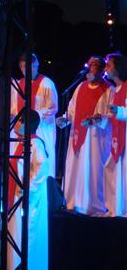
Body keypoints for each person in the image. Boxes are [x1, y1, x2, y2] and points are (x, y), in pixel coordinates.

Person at [56, 56, 112, 215]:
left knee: (93, 171)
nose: (91, 68)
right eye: (90, 64)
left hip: (95, 139)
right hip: (77, 135)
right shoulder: (80, 86)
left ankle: (94, 205)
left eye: (95, 65)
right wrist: (65, 119)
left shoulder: (108, 90)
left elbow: (111, 116)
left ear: (102, 70)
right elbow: (72, 110)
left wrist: (97, 120)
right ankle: (73, 201)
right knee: (76, 169)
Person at [8, 109, 49, 270]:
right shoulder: (21, 142)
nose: (16, 124)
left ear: (28, 124)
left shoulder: (35, 143)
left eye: (19, 121)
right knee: (18, 234)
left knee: (30, 234)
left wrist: (28, 188)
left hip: (31, 198)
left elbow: (42, 169)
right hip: (19, 195)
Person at [13, 52, 58, 178]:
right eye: (22, 67)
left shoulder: (46, 83)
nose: (25, 70)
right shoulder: (18, 84)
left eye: (28, 66)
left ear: (35, 65)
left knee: (40, 163)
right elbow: (14, 107)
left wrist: (33, 117)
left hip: (41, 129)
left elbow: (53, 107)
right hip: (22, 129)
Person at [103, 53, 127, 217]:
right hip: (117, 136)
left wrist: (119, 111)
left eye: (109, 65)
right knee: (111, 169)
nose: (106, 69)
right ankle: (115, 208)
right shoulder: (114, 90)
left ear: (117, 68)